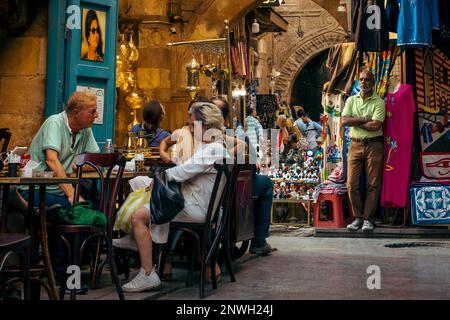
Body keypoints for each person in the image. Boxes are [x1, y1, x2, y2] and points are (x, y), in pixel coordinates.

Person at [121, 102, 228, 292]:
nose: (189, 127)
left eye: (192, 123)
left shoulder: (213, 149)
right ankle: (136, 238)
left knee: (139, 216)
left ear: (204, 125)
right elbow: (188, 167)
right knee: (145, 189)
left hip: (197, 210)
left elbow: (185, 171)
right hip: (196, 205)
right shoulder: (213, 147)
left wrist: (162, 176)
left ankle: (146, 272)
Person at [211, 97, 274, 256]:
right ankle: (259, 240)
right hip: (225, 190)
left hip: (217, 187)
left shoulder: (216, 134)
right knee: (265, 183)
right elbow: (249, 163)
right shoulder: (226, 134)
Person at [18, 91, 100, 209]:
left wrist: (82, 165)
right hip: (37, 188)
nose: (96, 115)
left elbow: (95, 160)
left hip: (60, 190)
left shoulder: (85, 129)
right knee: (77, 209)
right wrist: (72, 195)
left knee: (98, 206)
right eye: (92, 112)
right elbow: (51, 160)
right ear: (76, 113)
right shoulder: (55, 122)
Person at [341, 69, 385, 232]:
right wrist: (365, 119)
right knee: (352, 184)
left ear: (373, 82)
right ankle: (358, 217)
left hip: (374, 145)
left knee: (373, 184)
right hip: (355, 144)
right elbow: (344, 121)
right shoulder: (351, 100)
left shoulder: (379, 102)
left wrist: (355, 121)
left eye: (367, 80)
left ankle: (368, 218)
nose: (363, 82)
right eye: (361, 79)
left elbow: (376, 125)